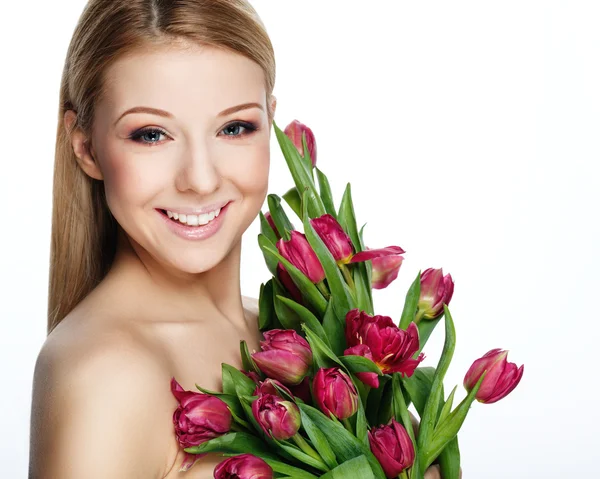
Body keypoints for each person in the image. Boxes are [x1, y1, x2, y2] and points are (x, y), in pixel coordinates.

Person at [29, 1, 446, 477]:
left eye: (234, 128)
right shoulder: (103, 373)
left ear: (271, 120)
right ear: (86, 147)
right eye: (151, 135)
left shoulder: (300, 331)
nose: (201, 179)